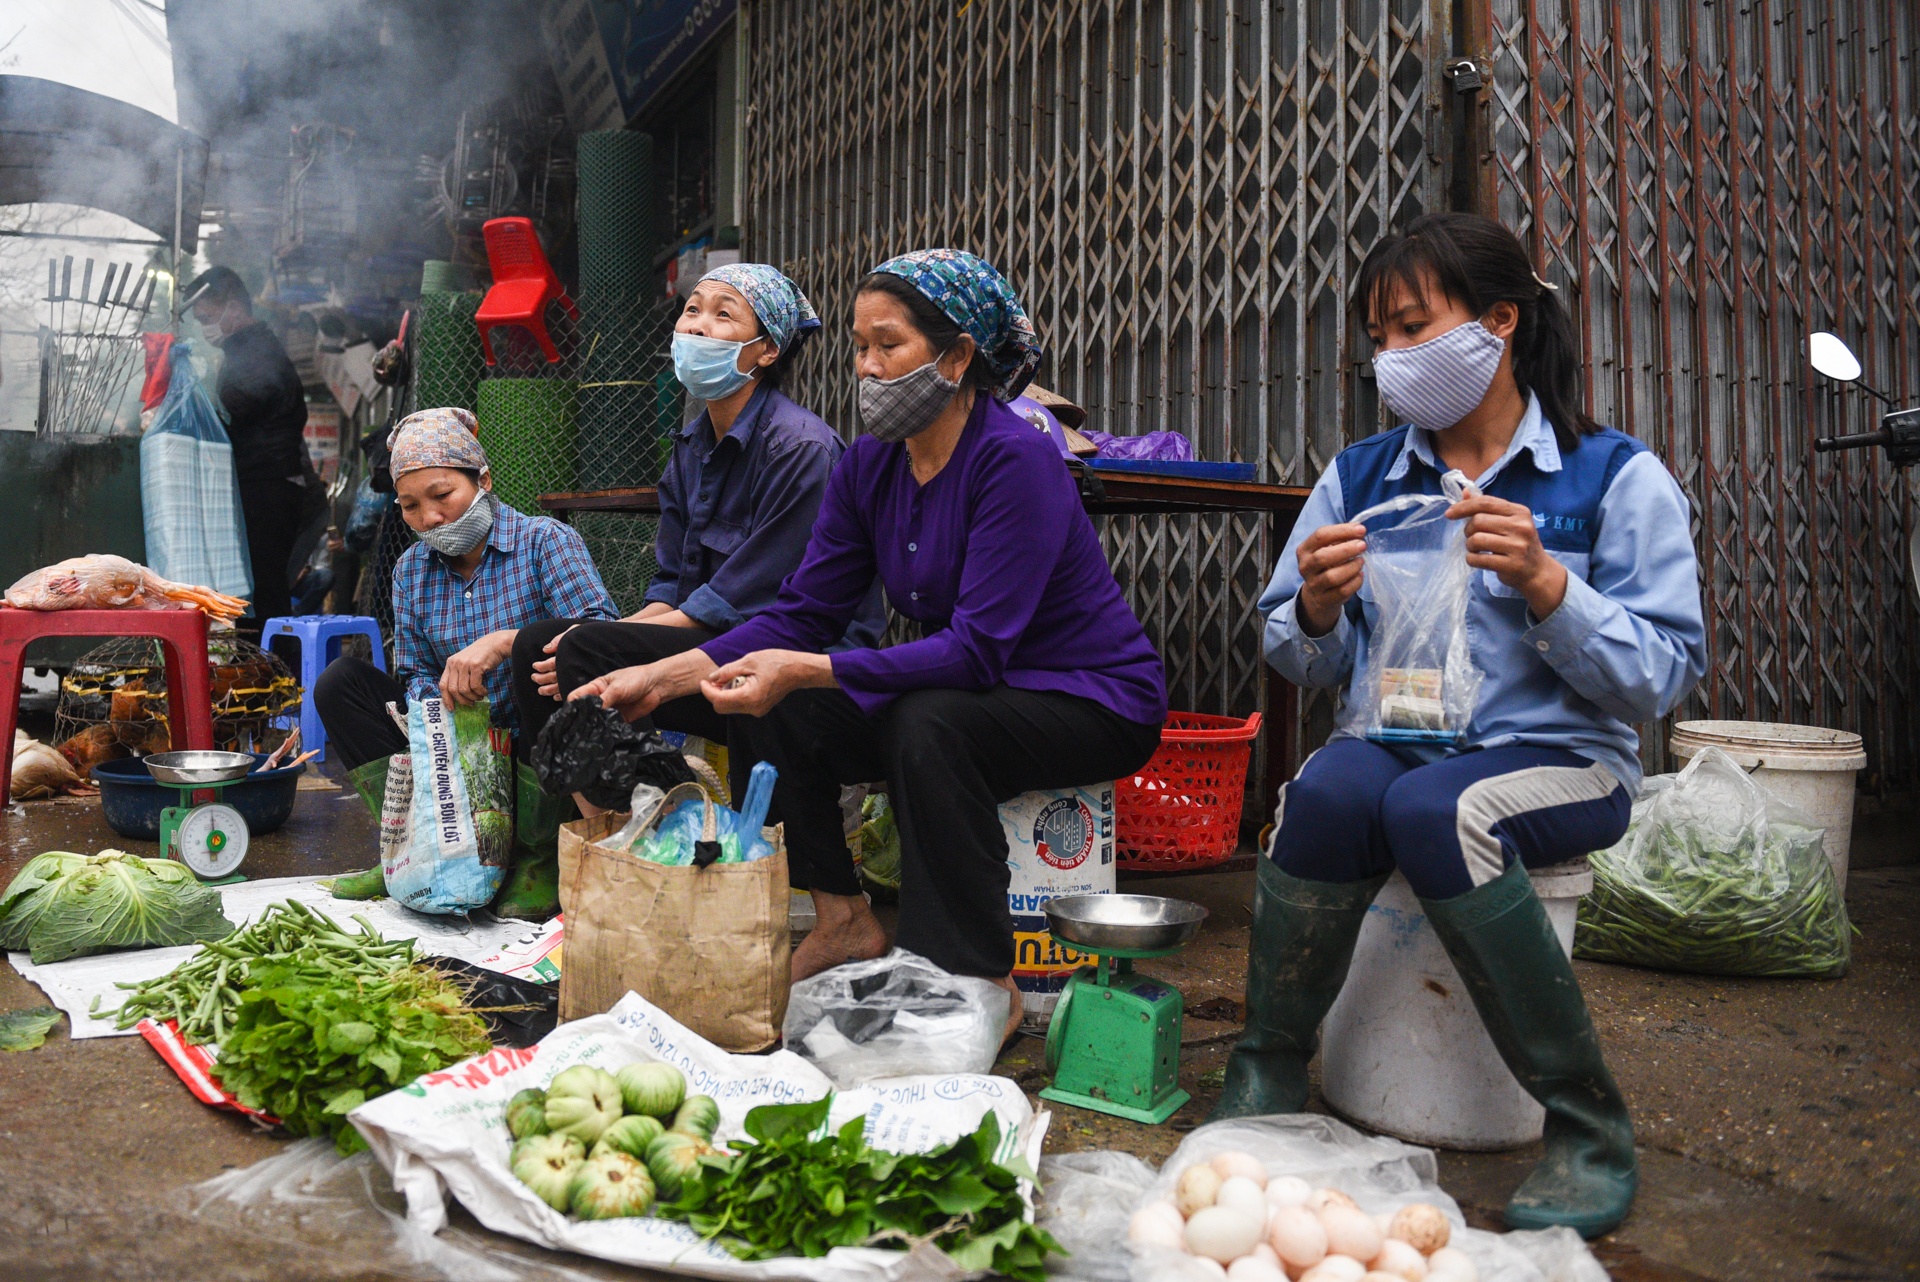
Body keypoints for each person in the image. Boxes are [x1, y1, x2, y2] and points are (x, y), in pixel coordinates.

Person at [1212, 212, 1707, 1238]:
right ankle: (1267, 1062)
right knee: (1330, 789)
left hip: (1566, 761)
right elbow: (1291, 647)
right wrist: (1312, 608)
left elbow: (1661, 676)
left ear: (1499, 321)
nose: (1389, 357)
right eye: (1378, 336)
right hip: (1396, 740)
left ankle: (1586, 1125)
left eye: (1409, 328)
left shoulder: (1614, 476)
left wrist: (1545, 582)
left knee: (1442, 807)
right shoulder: (1359, 477)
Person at [567, 249, 1167, 1042]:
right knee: (772, 702)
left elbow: (976, 652)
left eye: (890, 346)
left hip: (1090, 699)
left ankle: (980, 978)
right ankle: (842, 918)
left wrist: (803, 668)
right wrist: (672, 672)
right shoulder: (869, 466)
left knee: (927, 718)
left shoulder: (1015, 459)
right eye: (860, 347)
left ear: (955, 358)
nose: (869, 367)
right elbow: (805, 610)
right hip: (979, 692)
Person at [511, 263, 883, 804]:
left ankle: (659, 816)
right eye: (692, 310)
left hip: (791, 651)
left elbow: (745, 603)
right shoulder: (691, 449)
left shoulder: (800, 449)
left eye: (722, 314)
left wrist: (604, 646)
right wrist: (592, 638)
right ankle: (592, 835)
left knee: (586, 651)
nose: (697, 327)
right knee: (539, 647)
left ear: (767, 350)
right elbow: (674, 589)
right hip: (712, 640)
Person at [313, 407, 619, 916]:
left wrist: (506, 643)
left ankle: (536, 857)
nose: (428, 518)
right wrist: (437, 709)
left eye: (442, 496)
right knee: (340, 682)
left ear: (484, 480)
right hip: (456, 753)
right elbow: (411, 669)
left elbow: (601, 639)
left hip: (535, 739)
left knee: (539, 656)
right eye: (409, 506)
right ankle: (408, 847)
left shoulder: (545, 542)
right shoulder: (411, 570)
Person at [184, 266, 319, 626]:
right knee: (257, 587)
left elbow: (244, 402)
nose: (203, 328)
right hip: (263, 483)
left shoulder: (257, 350)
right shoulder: (240, 350)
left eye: (206, 318)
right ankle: (264, 665)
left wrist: (199, 393)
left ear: (232, 307)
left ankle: (273, 670)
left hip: (271, 487)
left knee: (264, 589)